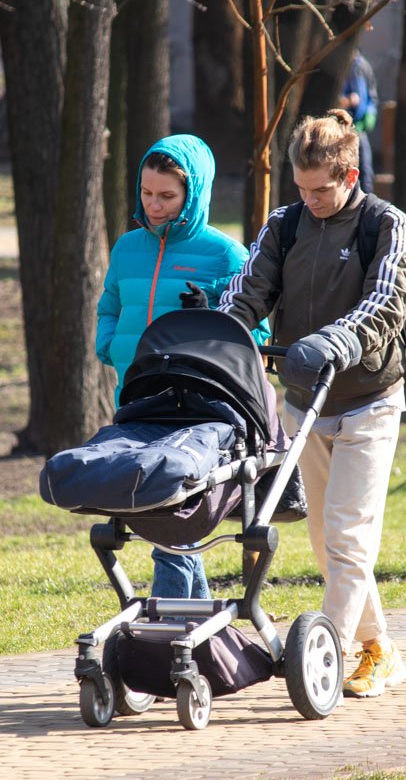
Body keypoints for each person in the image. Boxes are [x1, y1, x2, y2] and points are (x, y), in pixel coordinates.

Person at [218, 109, 406, 698]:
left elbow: (385, 304)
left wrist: (333, 341)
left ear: (350, 175)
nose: (310, 200)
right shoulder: (286, 225)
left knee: (349, 536)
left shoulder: (387, 227)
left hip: (368, 401)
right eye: (300, 189)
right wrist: (221, 333)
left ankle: (321, 658)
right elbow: (247, 291)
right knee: (327, 541)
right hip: (305, 403)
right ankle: (379, 650)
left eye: (320, 189)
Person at [96, 134, 270, 601]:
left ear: (193, 194)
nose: (154, 205)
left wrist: (209, 320)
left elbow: (259, 334)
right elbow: (110, 305)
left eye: (167, 197)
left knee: (171, 510)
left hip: (195, 405)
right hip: (136, 395)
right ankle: (193, 628)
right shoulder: (127, 248)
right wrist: (109, 345)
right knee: (169, 517)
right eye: (147, 193)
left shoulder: (226, 255)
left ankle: (172, 623)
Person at [338, 50, 378, 194]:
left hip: (359, 128)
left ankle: (366, 202)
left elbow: (370, 98)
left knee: (365, 171)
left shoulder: (361, 66)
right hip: (340, 130)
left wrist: (369, 115)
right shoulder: (339, 66)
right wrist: (345, 101)